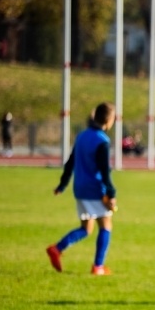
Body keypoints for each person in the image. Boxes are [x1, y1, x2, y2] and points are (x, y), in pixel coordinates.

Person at [46, 102, 118, 276]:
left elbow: (70, 162)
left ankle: (57, 249)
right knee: (106, 225)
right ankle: (98, 266)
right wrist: (111, 193)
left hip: (79, 189)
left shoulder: (82, 136)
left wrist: (63, 184)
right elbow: (104, 172)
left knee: (86, 228)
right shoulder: (103, 141)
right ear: (109, 120)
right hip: (95, 190)